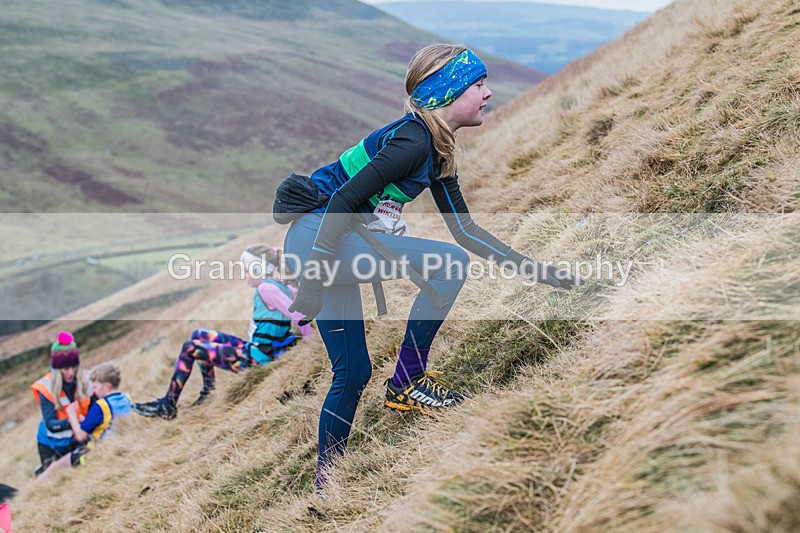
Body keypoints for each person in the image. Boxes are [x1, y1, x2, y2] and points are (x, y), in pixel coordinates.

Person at [282, 43, 579, 487]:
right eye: (478, 84)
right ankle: (408, 381)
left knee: (354, 372)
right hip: (318, 239)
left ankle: (327, 485)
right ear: (447, 92)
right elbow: (343, 200)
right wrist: (310, 285)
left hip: (328, 242)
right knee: (450, 265)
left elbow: (466, 230)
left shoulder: (436, 147)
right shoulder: (412, 139)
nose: (488, 93)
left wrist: (534, 270)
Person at [132, 244, 312, 420]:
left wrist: (310, 342)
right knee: (198, 334)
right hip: (257, 349)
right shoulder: (280, 285)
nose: (243, 275)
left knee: (190, 347)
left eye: (246, 270)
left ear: (259, 269)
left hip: (259, 357)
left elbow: (297, 313)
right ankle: (207, 392)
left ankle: (168, 404)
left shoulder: (266, 288)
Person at [37, 362, 131, 477]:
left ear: (107, 386)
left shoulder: (100, 405)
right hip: (113, 443)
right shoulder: (126, 399)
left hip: (93, 450)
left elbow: (81, 435)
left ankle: (31, 489)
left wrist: (72, 416)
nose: (94, 391)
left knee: (54, 467)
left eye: (95, 387)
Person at [31, 331, 93, 476]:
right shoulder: (45, 387)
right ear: (58, 369)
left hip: (77, 437)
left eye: (74, 367)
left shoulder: (86, 379)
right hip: (51, 443)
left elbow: (95, 405)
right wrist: (74, 421)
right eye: (66, 369)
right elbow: (51, 424)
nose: (71, 372)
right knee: (51, 477)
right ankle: (42, 470)